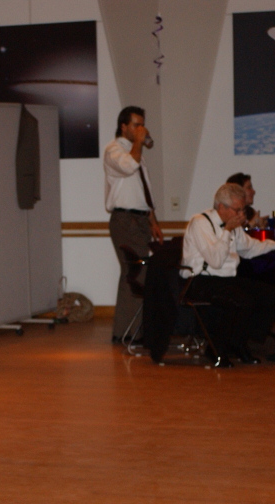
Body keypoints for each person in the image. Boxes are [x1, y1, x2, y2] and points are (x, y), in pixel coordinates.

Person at [180, 183, 275, 367]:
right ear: (221, 207)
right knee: (242, 300)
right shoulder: (200, 223)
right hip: (200, 280)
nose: (241, 215)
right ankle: (216, 349)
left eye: (242, 210)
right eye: (237, 210)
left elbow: (250, 248)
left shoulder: (234, 225)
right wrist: (227, 230)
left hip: (226, 279)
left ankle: (238, 342)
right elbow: (215, 260)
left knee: (273, 296)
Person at [104, 106, 163, 343]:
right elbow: (129, 166)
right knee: (137, 272)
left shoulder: (135, 153)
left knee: (134, 273)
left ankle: (126, 331)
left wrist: (153, 221)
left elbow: (142, 191)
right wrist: (139, 142)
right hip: (125, 220)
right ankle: (131, 332)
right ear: (124, 127)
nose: (141, 129)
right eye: (136, 125)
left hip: (140, 219)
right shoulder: (114, 150)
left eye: (142, 125)